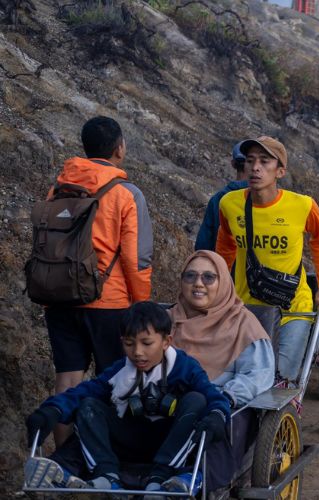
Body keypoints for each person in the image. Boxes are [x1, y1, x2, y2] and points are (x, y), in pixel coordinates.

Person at [24, 301, 230, 496]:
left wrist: (217, 415)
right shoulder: (121, 370)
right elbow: (84, 391)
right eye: (129, 344)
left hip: (169, 442)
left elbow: (213, 396)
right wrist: (52, 410)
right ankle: (106, 475)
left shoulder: (185, 368)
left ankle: (161, 477)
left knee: (197, 400)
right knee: (88, 405)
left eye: (147, 343)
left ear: (166, 341)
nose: (137, 353)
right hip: (130, 440)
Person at [43, 116, 153, 446]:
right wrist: (141, 305)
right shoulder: (126, 194)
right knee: (119, 380)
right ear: (120, 148)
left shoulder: (58, 189)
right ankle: (111, 455)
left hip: (60, 298)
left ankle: (65, 457)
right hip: (110, 303)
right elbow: (136, 259)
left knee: (68, 378)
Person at [216, 136, 319, 385]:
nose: (256, 167)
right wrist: (218, 287)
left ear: (280, 170)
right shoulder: (230, 204)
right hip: (248, 306)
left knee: (283, 378)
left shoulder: (302, 205)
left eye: (264, 161)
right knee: (248, 377)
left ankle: (281, 421)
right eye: (250, 161)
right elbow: (226, 245)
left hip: (293, 305)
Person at [170, 250, 275, 491]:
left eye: (209, 277)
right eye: (190, 276)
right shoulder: (167, 321)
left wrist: (225, 397)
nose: (198, 283)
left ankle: (198, 482)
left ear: (223, 283)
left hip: (225, 404)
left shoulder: (243, 323)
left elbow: (258, 375)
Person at [195, 141, 248, 251]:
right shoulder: (266, 199)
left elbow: (203, 245)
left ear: (233, 164)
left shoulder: (217, 199)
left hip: (223, 265)